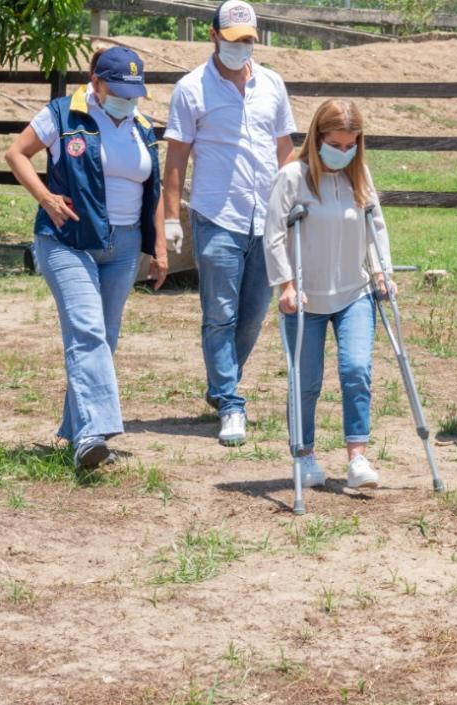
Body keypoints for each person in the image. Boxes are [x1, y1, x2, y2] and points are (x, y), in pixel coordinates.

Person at [4, 46, 166, 470]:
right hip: (67, 239)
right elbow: (16, 153)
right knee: (87, 330)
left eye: (134, 92)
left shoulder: (142, 126)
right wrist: (46, 197)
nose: (128, 99)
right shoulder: (61, 114)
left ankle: (76, 431)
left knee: (103, 338)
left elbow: (153, 189)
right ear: (97, 82)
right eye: (120, 91)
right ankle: (93, 435)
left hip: (125, 245)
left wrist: (160, 247)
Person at [163, 0, 296, 446]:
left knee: (253, 315)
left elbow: (284, 150)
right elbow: (176, 157)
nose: (242, 48)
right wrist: (171, 216)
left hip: (267, 218)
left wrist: (295, 204)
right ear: (214, 37)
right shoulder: (191, 89)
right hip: (217, 216)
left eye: (249, 41)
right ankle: (230, 402)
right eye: (234, 40)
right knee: (220, 314)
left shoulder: (272, 85)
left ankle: (221, 384)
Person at [264, 99, 391, 490]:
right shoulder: (292, 177)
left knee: (356, 370)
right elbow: (274, 234)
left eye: (350, 145)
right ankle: (304, 455)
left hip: (354, 292)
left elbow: (375, 226)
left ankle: (357, 457)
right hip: (306, 297)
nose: (343, 152)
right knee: (306, 381)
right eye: (335, 145)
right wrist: (286, 285)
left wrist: (381, 272)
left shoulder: (359, 175)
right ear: (317, 138)